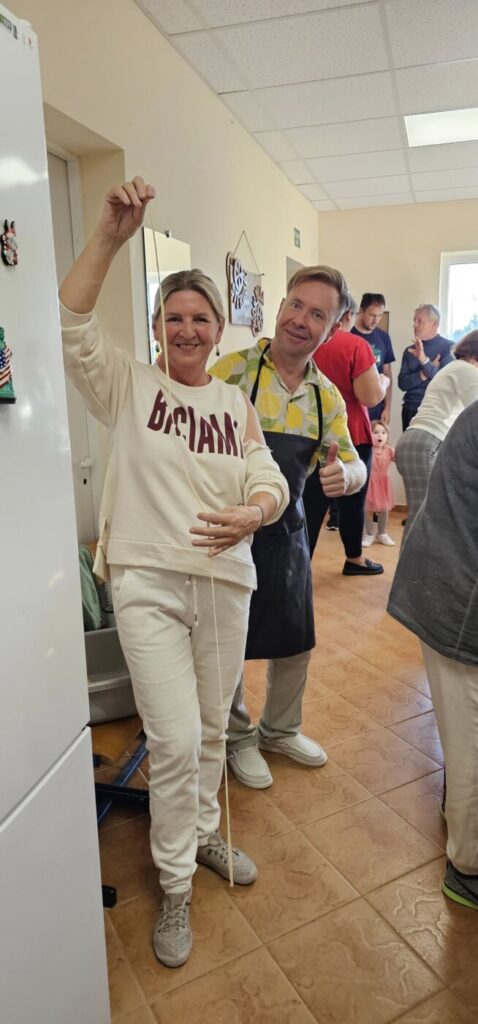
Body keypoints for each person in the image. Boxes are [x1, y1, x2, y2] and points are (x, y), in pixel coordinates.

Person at [59, 177, 290, 968]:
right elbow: (71, 323)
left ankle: (199, 834)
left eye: (200, 318)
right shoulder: (129, 385)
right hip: (149, 584)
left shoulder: (233, 404)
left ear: (218, 330)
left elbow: (266, 474)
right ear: (158, 328)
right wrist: (109, 237)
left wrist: (256, 510)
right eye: (173, 317)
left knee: (211, 731)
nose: (187, 329)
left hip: (225, 586)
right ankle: (176, 884)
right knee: (176, 735)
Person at [212, 267, 366, 790]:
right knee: (229, 640)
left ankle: (280, 729)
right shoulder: (231, 374)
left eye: (317, 314)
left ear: (333, 327)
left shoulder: (326, 397)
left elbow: (353, 462)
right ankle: (237, 737)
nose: (301, 320)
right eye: (296, 305)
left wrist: (347, 475)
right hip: (232, 531)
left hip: (291, 534)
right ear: (280, 307)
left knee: (295, 640)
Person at [387, 401, 478, 911]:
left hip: (450, 579)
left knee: (466, 731)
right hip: (458, 597)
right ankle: (469, 869)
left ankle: (455, 804)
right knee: (473, 743)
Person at [303, 297, 388, 573]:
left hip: (308, 426)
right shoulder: (356, 345)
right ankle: (354, 559)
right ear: (349, 315)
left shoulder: (308, 340)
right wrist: (383, 383)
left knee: (309, 503)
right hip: (350, 431)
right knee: (353, 500)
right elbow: (370, 396)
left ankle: (300, 564)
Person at [395, 331, 478, 544]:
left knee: (420, 516)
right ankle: (411, 567)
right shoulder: (467, 370)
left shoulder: (453, 368)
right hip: (426, 441)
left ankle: (412, 565)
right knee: (423, 518)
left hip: (417, 440)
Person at [398, 303, 453, 430]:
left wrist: (423, 360)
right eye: (414, 320)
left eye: (419, 321)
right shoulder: (409, 350)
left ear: (434, 323)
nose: (414, 325)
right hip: (410, 408)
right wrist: (425, 373)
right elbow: (402, 384)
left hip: (435, 411)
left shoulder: (448, 347)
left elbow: (443, 381)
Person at [352, 292, 395, 423]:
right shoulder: (349, 335)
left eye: (379, 315)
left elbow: (387, 373)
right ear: (361, 312)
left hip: (377, 409)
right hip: (354, 408)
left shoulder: (384, 337)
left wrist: (387, 408)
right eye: (372, 315)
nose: (376, 320)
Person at [362, 421, 395, 547]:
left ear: (387, 435)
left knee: (384, 510)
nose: (380, 435)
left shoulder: (390, 450)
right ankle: (369, 534)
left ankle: (382, 533)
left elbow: (400, 459)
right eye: (375, 432)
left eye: (383, 432)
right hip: (370, 484)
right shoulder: (367, 450)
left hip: (384, 485)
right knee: (368, 510)